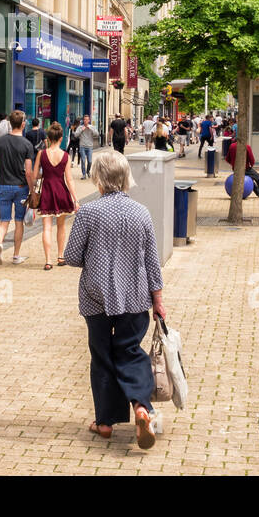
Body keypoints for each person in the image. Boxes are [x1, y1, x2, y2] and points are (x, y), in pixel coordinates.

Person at [63, 150, 165, 450]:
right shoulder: (141, 213)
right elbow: (152, 263)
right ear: (124, 178)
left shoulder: (89, 213)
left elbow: (70, 256)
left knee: (102, 356)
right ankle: (141, 408)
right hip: (135, 298)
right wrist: (158, 300)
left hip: (96, 299)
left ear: (98, 180)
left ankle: (105, 422)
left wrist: (94, 259)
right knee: (131, 351)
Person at [0, 110, 35, 265]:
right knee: (18, 221)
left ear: (10, 123)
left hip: (4, 185)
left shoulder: (0, 142)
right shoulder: (27, 144)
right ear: (23, 124)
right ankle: (16, 256)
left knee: (4, 220)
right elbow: (29, 172)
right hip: (20, 187)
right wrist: (32, 190)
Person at [37, 122, 78, 271]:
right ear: (61, 138)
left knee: (46, 228)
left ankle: (48, 260)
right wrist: (75, 199)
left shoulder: (41, 154)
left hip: (47, 192)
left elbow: (36, 175)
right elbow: (69, 179)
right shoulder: (65, 155)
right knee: (61, 226)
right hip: (61, 192)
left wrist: (45, 174)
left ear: (48, 138)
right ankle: (60, 256)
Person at [76, 114, 99, 179]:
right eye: (84, 119)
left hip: (89, 146)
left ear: (89, 120)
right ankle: (84, 174)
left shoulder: (92, 127)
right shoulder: (80, 127)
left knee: (90, 161)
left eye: (87, 120)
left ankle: (88, 171)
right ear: (83, 120)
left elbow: (97, 134)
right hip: (82, 146)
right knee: (83, 160)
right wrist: (81, 130)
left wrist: (91, 129)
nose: (85, 121)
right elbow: (76, 135)